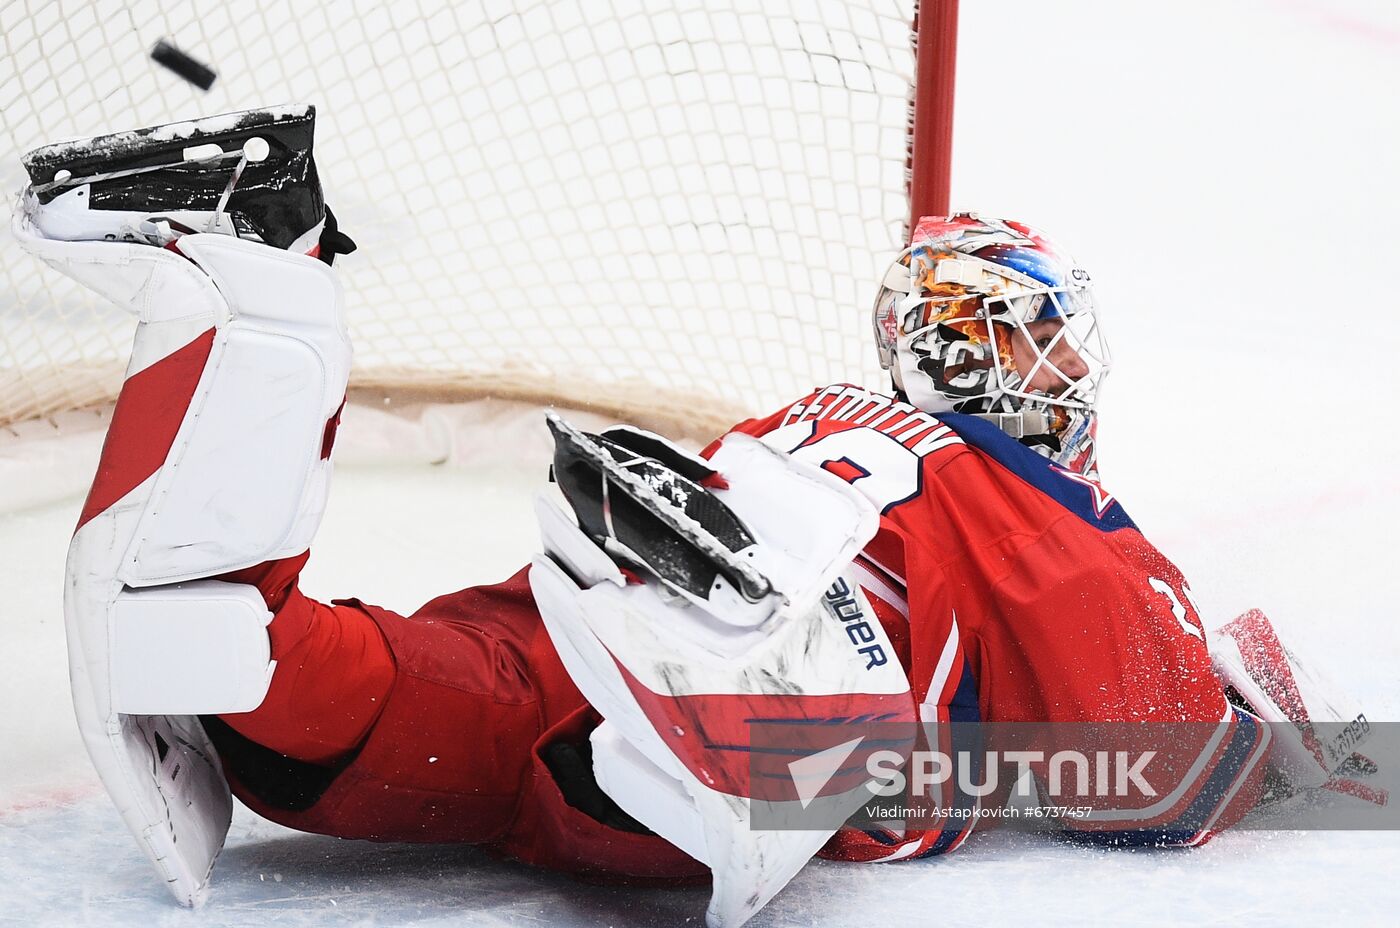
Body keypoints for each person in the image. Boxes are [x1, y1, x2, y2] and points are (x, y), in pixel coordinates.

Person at [19, 106, 1333, 925]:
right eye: (1031, 336)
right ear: (982, 359)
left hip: (588, 611)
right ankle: (751, 657)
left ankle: (263, 291)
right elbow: (1169, 772)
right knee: (362, 716)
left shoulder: (834, 409)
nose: (1054, 364)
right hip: (709, 720)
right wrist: (1268, 704)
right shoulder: (1050, 526)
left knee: (296, 702)